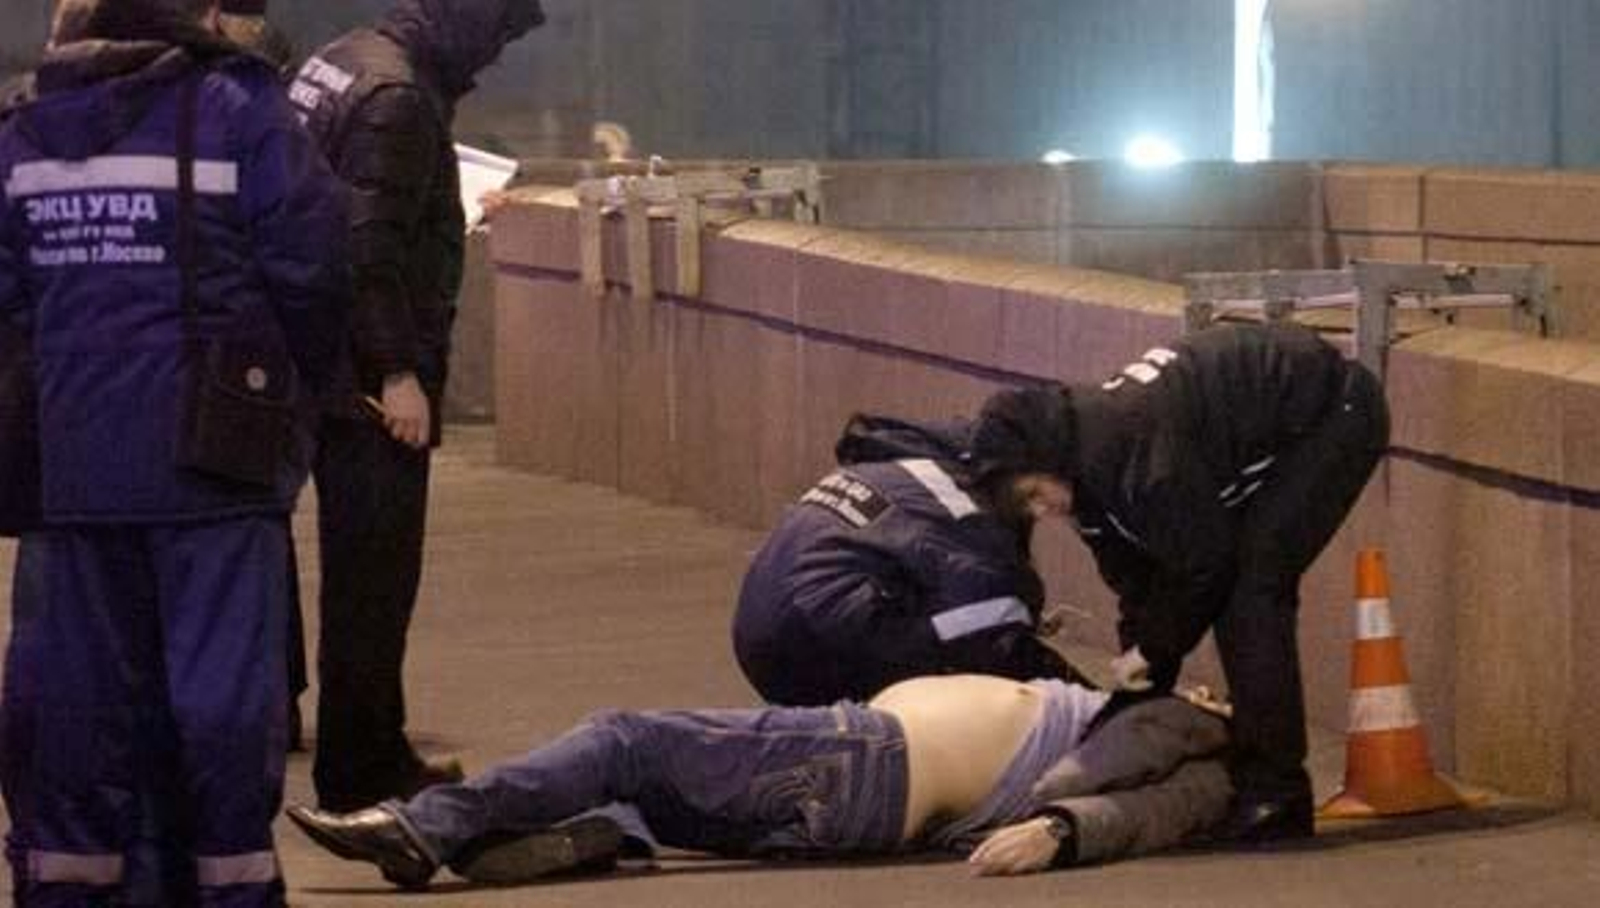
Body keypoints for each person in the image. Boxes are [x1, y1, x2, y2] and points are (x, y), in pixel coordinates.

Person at [0, 0, 349, 904]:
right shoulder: (237, 109)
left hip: (70, 465)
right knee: (221, 695)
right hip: (215, 460)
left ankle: (75, 881)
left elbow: (9, 299)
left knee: (77, 697)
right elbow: (313, 266)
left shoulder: (26, 127)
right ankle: (227, 879)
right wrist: (297, 394)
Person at [972, 321, 1389, 843]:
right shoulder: (1087, 476)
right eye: (1027, 508)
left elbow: (1205, 563)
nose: (1041, 511)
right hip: (1274, 421)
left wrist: (1154, 648)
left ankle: (1277, 793)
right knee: (1221, 588)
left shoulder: (1131, 453)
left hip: (1332, 412)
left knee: (1251, 594)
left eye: (1035, 493)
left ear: (1048, 458)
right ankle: (1229, 763)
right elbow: (1137, 581)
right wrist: (1137, 689)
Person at [284, 0, 545, 811]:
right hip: (363, 381)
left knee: (330, 575)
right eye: (499, 33)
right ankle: (363, 766)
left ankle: (353, 744)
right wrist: (397, 372)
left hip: (307, 363)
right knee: (373, 581)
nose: (496, 55)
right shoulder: (399, 100)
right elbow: (369, 249)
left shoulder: (342, 59)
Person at [286, 674, 1233, 890]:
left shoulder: (1199, 744)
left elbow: (1150, 810)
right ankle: (601, 834)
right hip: (857, 781)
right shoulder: (1140, 710)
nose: (1209, 686)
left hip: (865, 758)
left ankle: (421, 827)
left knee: (623, 738)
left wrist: (1063, 831)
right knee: (653, 781)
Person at [734, 409, 1087, 705]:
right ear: (1018, 469)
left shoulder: (902, 465)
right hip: (817, 651)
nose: (1046, 510)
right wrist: (1089, 705)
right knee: (983, 660)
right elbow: (996, 635)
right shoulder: (961, 513)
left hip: (759, 634)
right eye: (1042, 493)